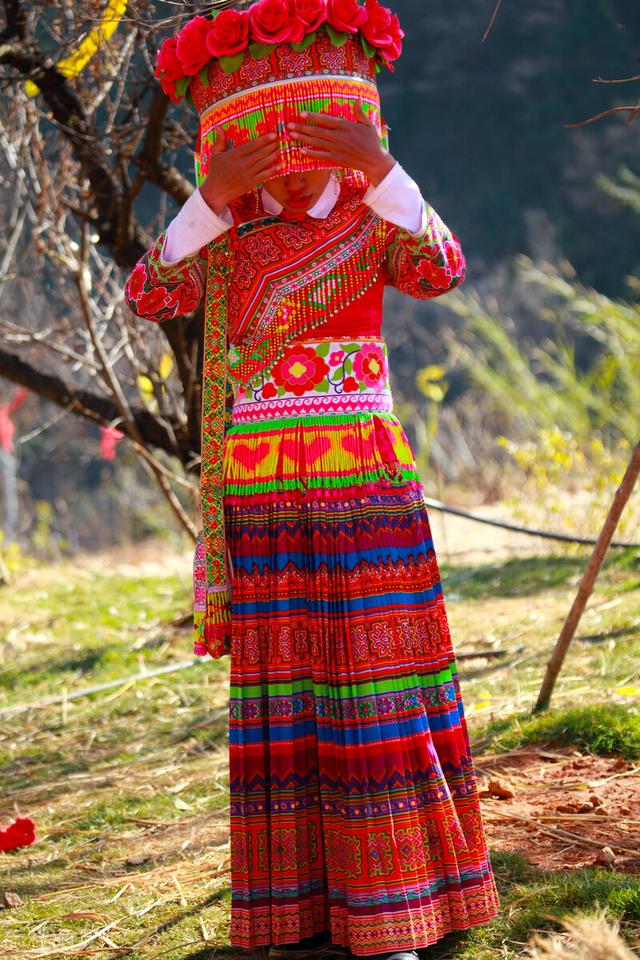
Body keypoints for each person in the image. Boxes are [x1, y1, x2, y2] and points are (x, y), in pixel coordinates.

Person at [124, 2, 500, 958]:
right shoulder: (230, 238)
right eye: (269, 150)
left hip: (361, 483)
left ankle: (399, 906)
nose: (291, 169)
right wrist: (210, 199)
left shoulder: (377, 222)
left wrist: (385, 173)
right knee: (286, 690)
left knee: (377, 678)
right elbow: (149, 293)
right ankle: (299, 911)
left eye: (311, 143)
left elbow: (443, 269)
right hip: (262, 498)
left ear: (348, 135)